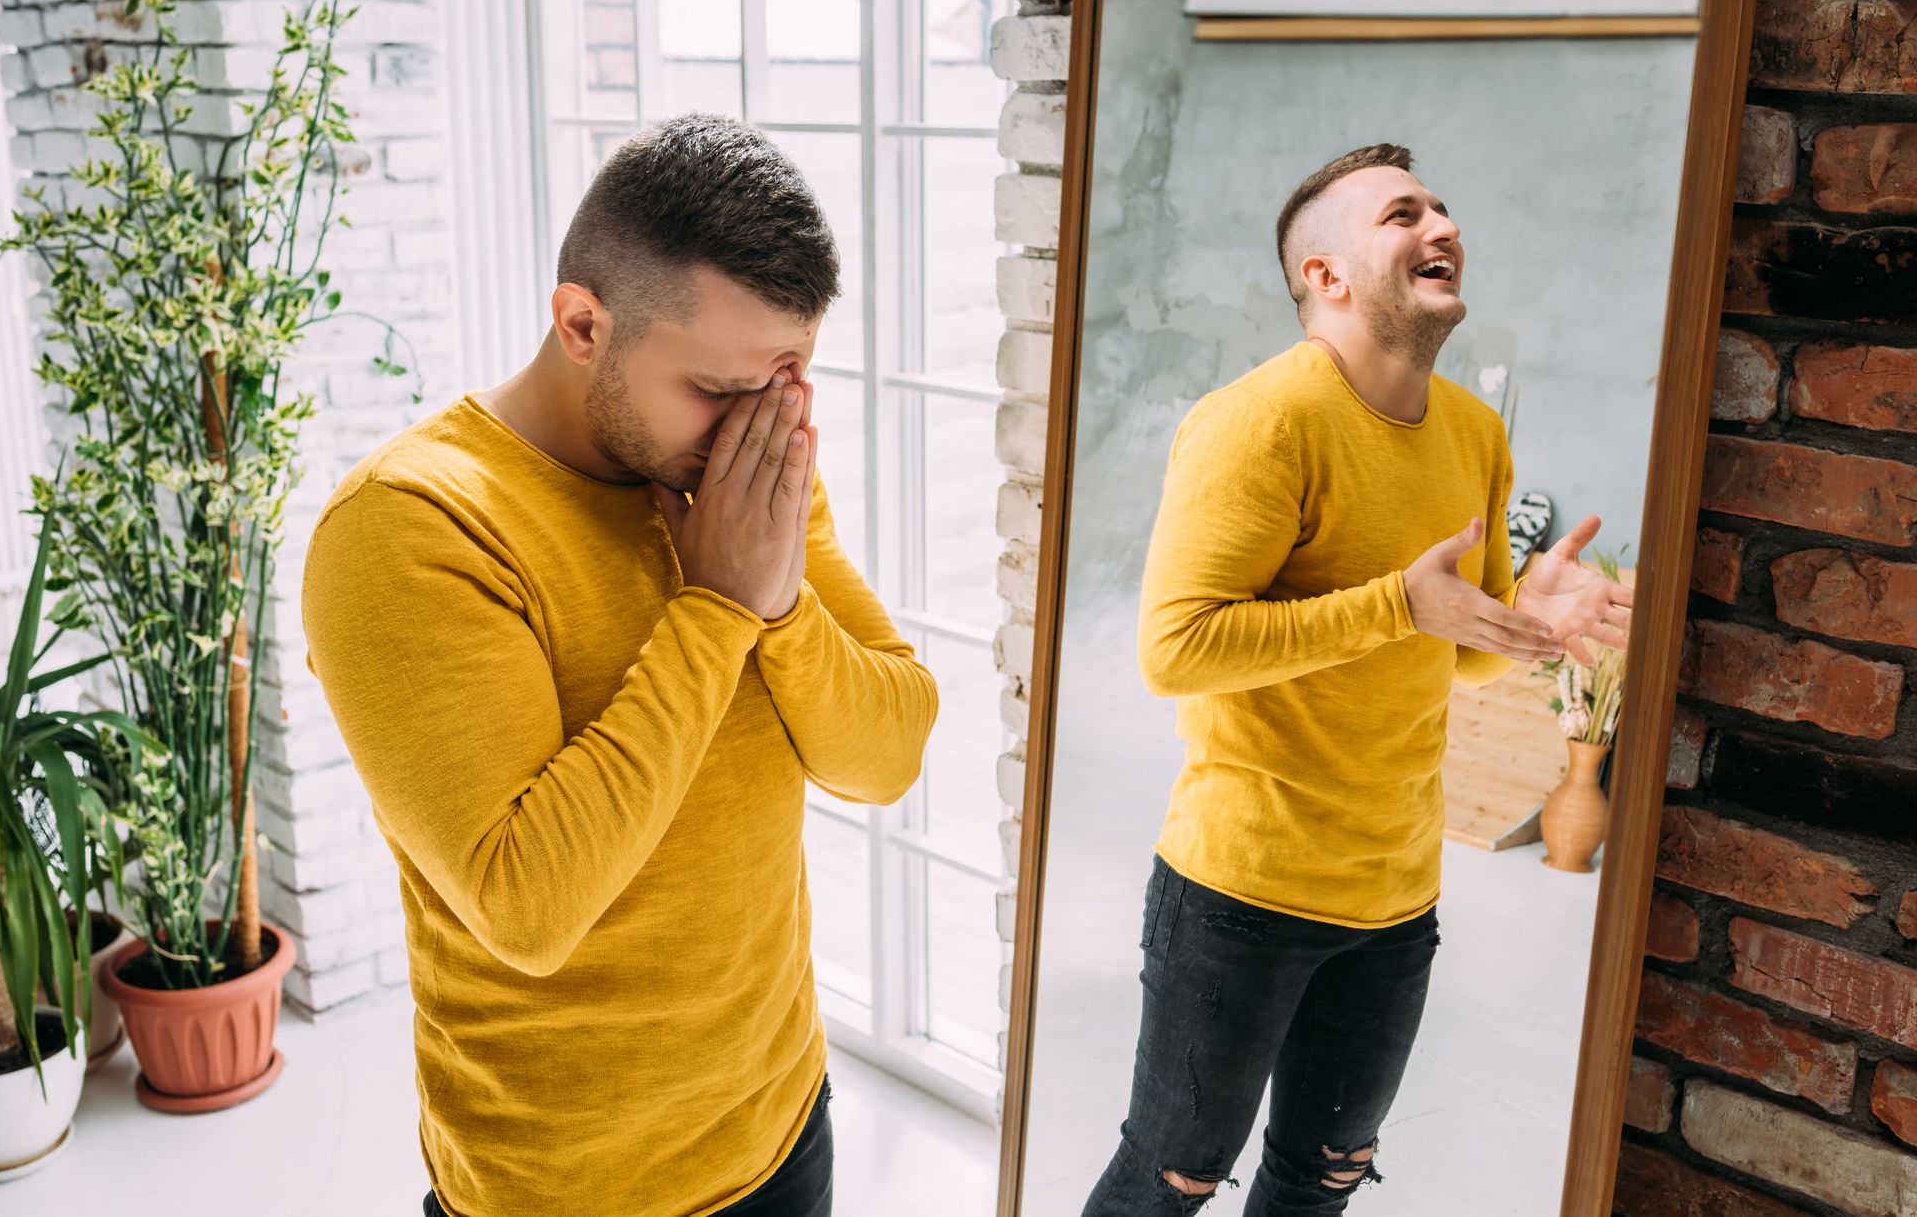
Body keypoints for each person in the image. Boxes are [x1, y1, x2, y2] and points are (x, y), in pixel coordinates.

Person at [302, 113, 938, 1217]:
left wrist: (777, 605)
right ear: (583, 322)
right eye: (719, 390)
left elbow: (887, 758)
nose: (762, 432)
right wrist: (713, 610)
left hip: (784, 1126)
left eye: (787, 382)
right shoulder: (410, 527)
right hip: (568, 1189)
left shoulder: (744, 485)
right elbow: (527, 905)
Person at [1082, 144, 1631, 1214]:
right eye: (1403, 213)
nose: (1443, 225)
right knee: (1168, 1181)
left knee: (1318, 1182)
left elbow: (1458, 649)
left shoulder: (1473, 431)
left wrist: (1528, 621)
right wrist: (1395, 602)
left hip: (1395, 900)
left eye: (1443, 207)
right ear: (1327, 276)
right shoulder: (1261, 421)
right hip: (1240, 894)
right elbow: (1176, 645)